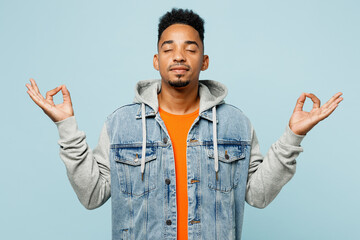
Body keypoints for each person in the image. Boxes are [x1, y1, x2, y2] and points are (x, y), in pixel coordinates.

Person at [25, 8, 343, 240]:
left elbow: (258, 195)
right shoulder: (121, 124)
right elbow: (92, 195)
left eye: (190, 48)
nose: (179, 56)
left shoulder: (235, 124)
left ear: (204, 60)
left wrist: (294, 136)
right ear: (156, 60)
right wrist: (66, 126)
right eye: (169, 48)